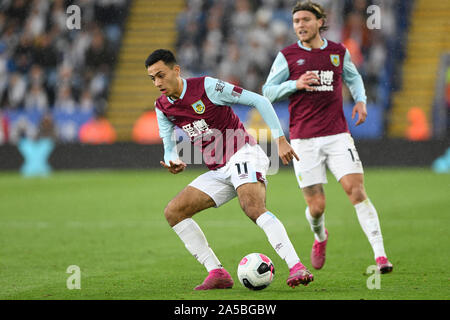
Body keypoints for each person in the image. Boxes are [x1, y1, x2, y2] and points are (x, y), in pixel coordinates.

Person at [146, 49, 314, 290]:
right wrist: (172, 160)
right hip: (218, 169)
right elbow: (168, 145)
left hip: (244, 153)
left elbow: (259, 100)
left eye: (161, 75)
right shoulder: (162, 107)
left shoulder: (207, 87)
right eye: (152, 78)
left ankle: (296, 265)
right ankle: (217, 272)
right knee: (174, 212)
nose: (157, 83)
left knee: (252, 207)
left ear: (176, 70)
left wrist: (279, 139)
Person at [262, 1, 393, 274]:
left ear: (320, 22)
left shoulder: (337, 52)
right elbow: (267, 92)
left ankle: (381, 256)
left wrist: (360, 100)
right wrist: (294, 84)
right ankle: (320, 237)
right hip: (302, 139)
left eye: (306, 20)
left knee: (356, 190)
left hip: (337, 135)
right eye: (296, 21)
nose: (300, 25)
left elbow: (354, 78)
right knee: (317, 207)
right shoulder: (287, 56)